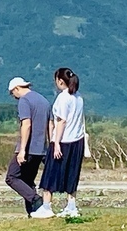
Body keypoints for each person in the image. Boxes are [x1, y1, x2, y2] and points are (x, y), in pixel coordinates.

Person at [31, 67, 86, 218]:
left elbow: (61, 122)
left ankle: (47, 206)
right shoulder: (78, 96)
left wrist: (55, 143)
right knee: (72, 173)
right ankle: (71, 206)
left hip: (64, 141)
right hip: (77, 140)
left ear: (60, 81)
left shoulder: (63, 97)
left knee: (50, 174)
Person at [4, 76, 50, 216]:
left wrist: (22, 150)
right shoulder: (44, 100)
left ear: (17, 89)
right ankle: (34, 212)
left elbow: (26, 124)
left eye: (13, 94)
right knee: (28, 181)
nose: (14, 97)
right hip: (41, 149)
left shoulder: (25, 100)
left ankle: (36, 200)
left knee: (12, 177)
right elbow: (50, 125)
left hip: (29, 148)